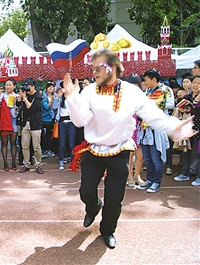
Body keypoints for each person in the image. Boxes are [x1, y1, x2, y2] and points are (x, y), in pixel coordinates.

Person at [62, 49, 195, 249]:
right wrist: (72, 98)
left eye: (99, 68)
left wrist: (175, 128)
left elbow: (153, 115)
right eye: (93, 68)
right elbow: (80, 121)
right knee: (86, 191)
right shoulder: (89, 91)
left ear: (112, 68)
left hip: (120, 151)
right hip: (93, 149)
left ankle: (107, 230)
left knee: (114, 199)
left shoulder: (131, 92)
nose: (94, 72)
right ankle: (93, 205)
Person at [17, 78, 44, 174]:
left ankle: (38, 164)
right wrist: (21, 97)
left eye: (28, 86)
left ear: (33, 86)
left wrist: (24, 98)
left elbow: (31, 108)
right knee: (24, 146)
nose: (27, 89)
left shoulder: (38, 97)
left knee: (36, 146)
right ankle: (26, 164)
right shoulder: (26, 95)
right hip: (25, 124)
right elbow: (20, 106)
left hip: (35, 124)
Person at [0, 78, 19, 171]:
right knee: (4, 142)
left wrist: (17, 104)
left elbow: (19, 110)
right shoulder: (1, 96)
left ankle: (13, 162)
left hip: (13, 120)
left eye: (10, 85)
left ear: (14, 86)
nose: (7, 87)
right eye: (6, 85)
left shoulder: (17, 96)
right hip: (4, 121)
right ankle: (5, 163)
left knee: (13, 142)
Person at [53, 82, 76, 171]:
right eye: (63, 88)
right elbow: (54, 107)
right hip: (62, 122)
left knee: (71, 143)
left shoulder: (73, 98)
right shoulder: (59, 98)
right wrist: (58, 97)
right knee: (62, 144)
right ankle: (61, 161)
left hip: (71, 122)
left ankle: (72, 162)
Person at [41, 81, 57, 159]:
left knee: (50, 136)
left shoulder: (56, 96)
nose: (51, 88)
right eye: (49, 87)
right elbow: (46, 107)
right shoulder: (43, 96)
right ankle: (44, 150)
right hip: (44, 119)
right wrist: (52, 100)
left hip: (53, 119)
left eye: (52, 87)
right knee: (44, 136)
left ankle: (49, 150)